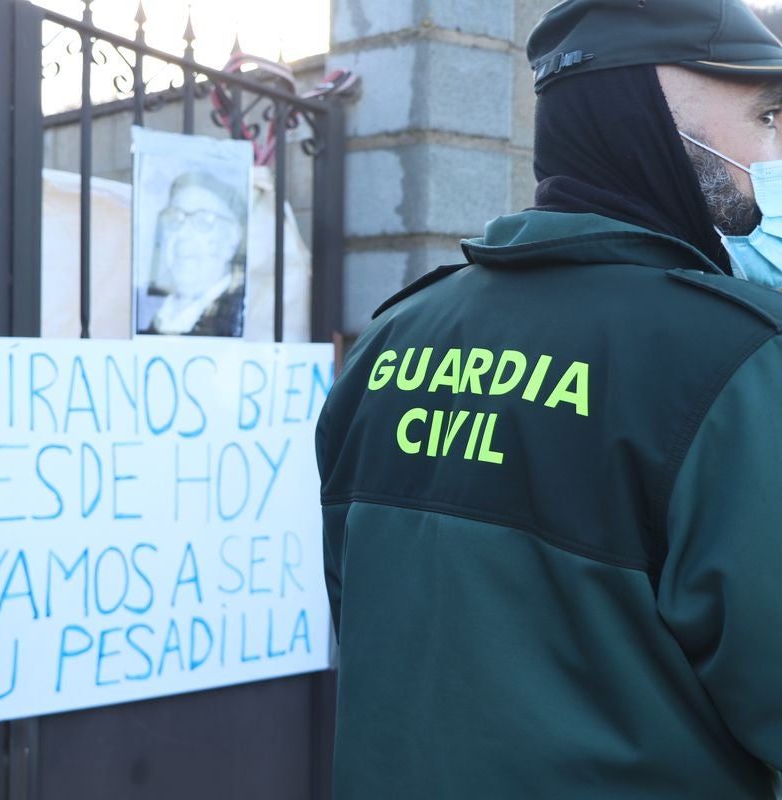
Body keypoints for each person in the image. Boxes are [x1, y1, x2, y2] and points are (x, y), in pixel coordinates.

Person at [316, 0, 782, 796]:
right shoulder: (735, 360)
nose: (778, 147)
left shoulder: (395, 338)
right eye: (768, 116)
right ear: (649, 116)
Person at [139, 170, 247, 337]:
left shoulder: (243, 316)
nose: (182, 233)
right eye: (174, 219)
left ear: (232, 238)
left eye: (203, 220)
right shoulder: (155, 315)